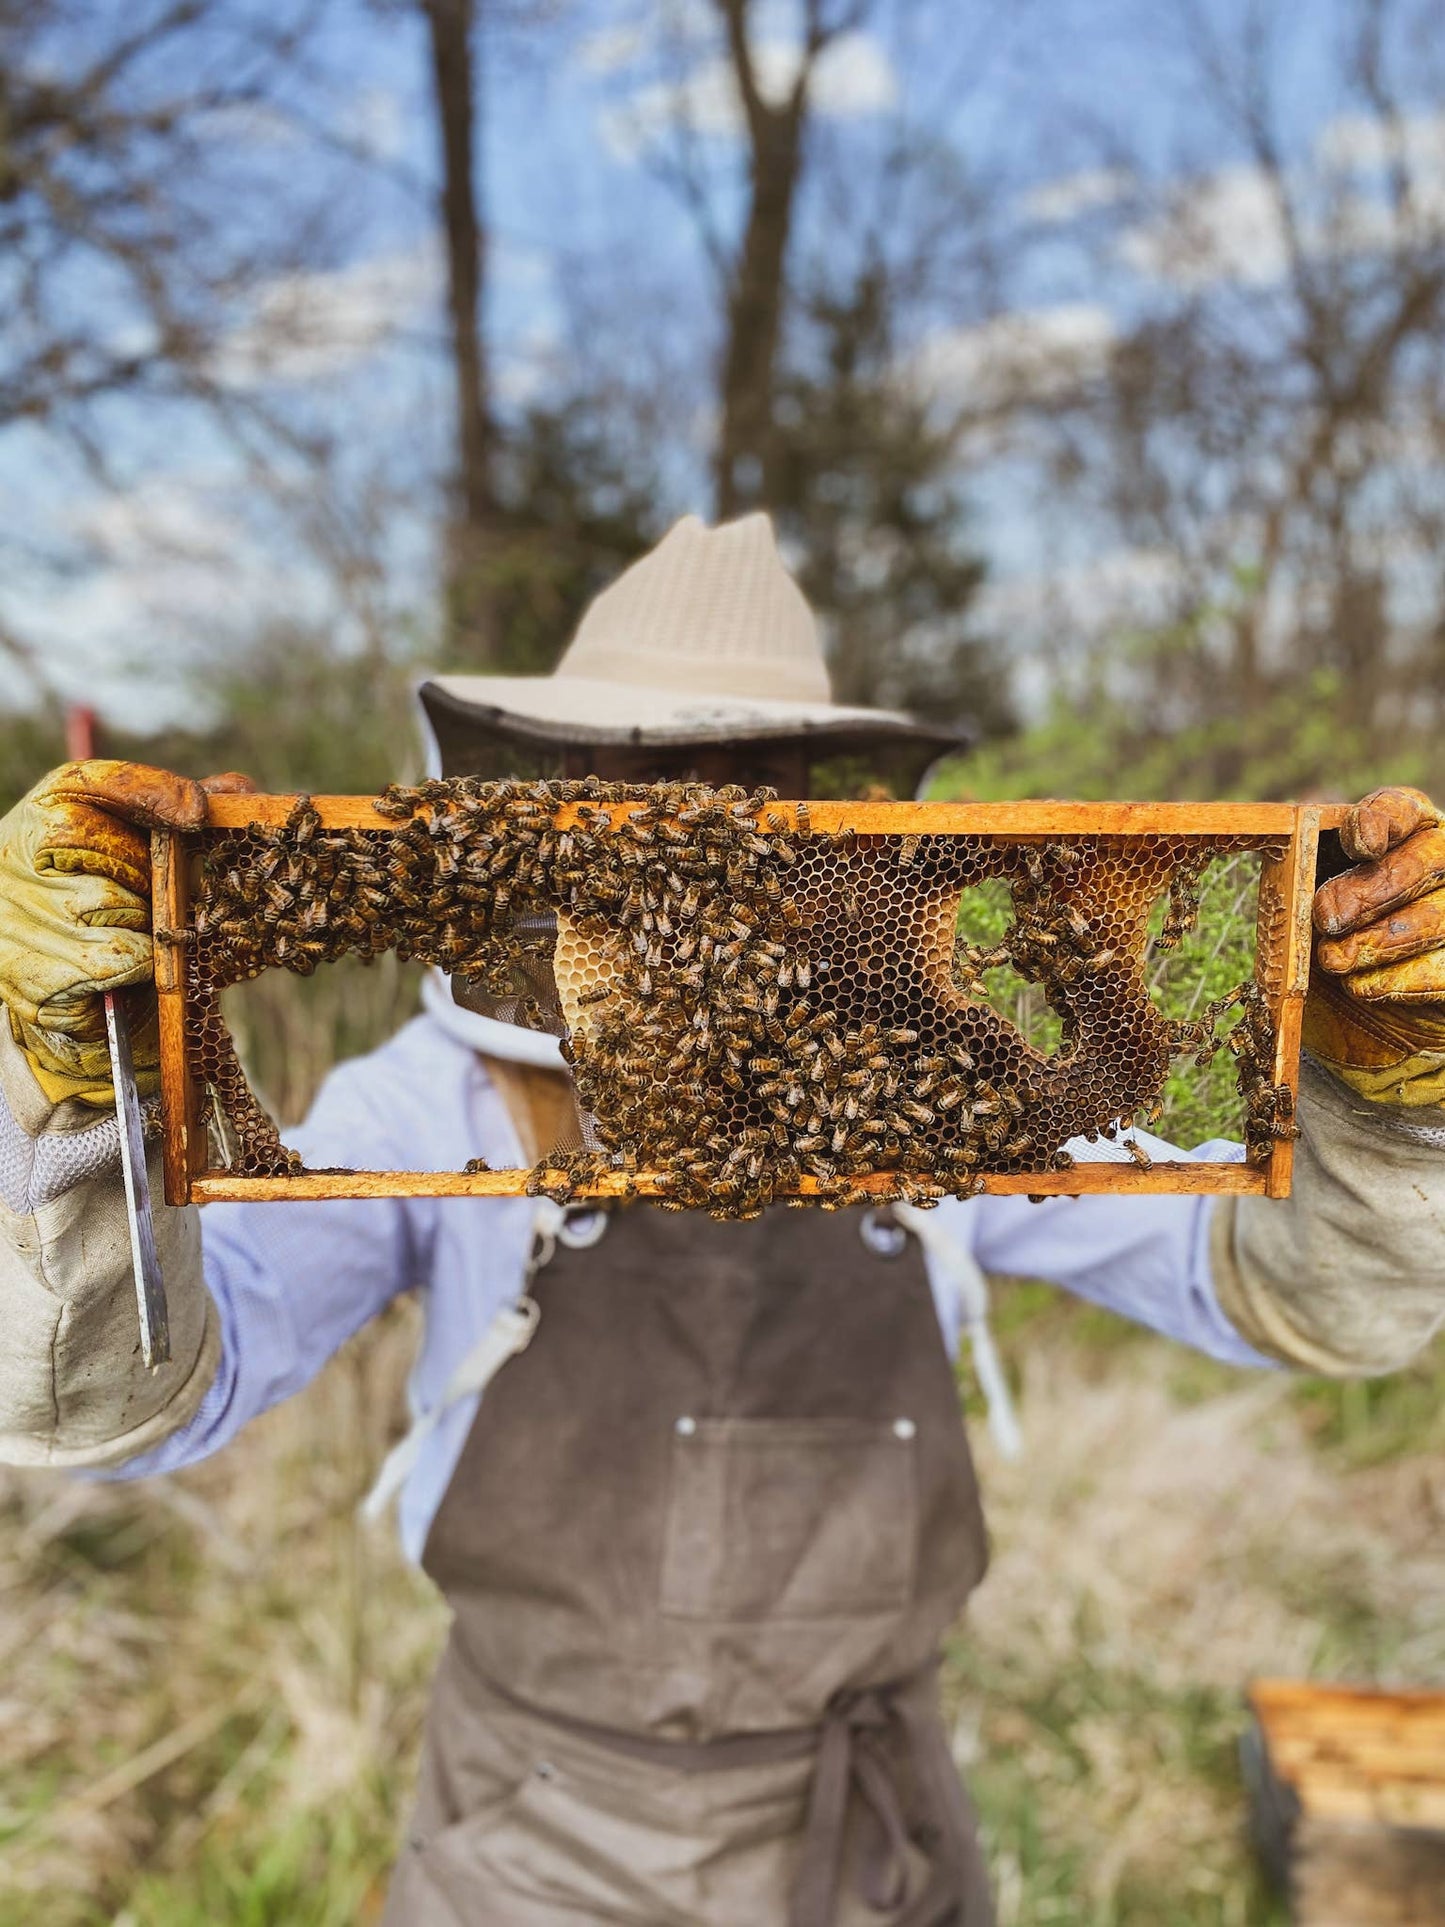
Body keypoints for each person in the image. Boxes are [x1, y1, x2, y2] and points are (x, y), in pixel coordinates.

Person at [1, 514, 1442, 1927]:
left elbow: (1302, 1302)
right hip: (535, 1843)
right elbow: (129, 1413)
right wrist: (72, 1097)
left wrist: (1385, 1109)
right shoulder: (437, 1096)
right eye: (638, 784)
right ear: (541, 797)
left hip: (871, 1839)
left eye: (750, 791)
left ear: (825, 816)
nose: (692, 843)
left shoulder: (933, 1090)